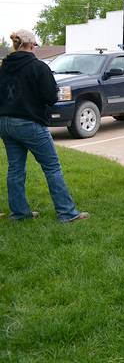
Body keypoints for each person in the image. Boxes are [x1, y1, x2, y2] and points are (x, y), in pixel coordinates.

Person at [0, 29, 89, 222]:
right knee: (52, 167)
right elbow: (50, 97)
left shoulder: (4, 66)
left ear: (16, 45)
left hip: (5, 122)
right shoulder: (38, 67)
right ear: (31, 45)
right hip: (29, 123)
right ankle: (67, 213)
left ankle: (20, 214)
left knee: (15, 169)